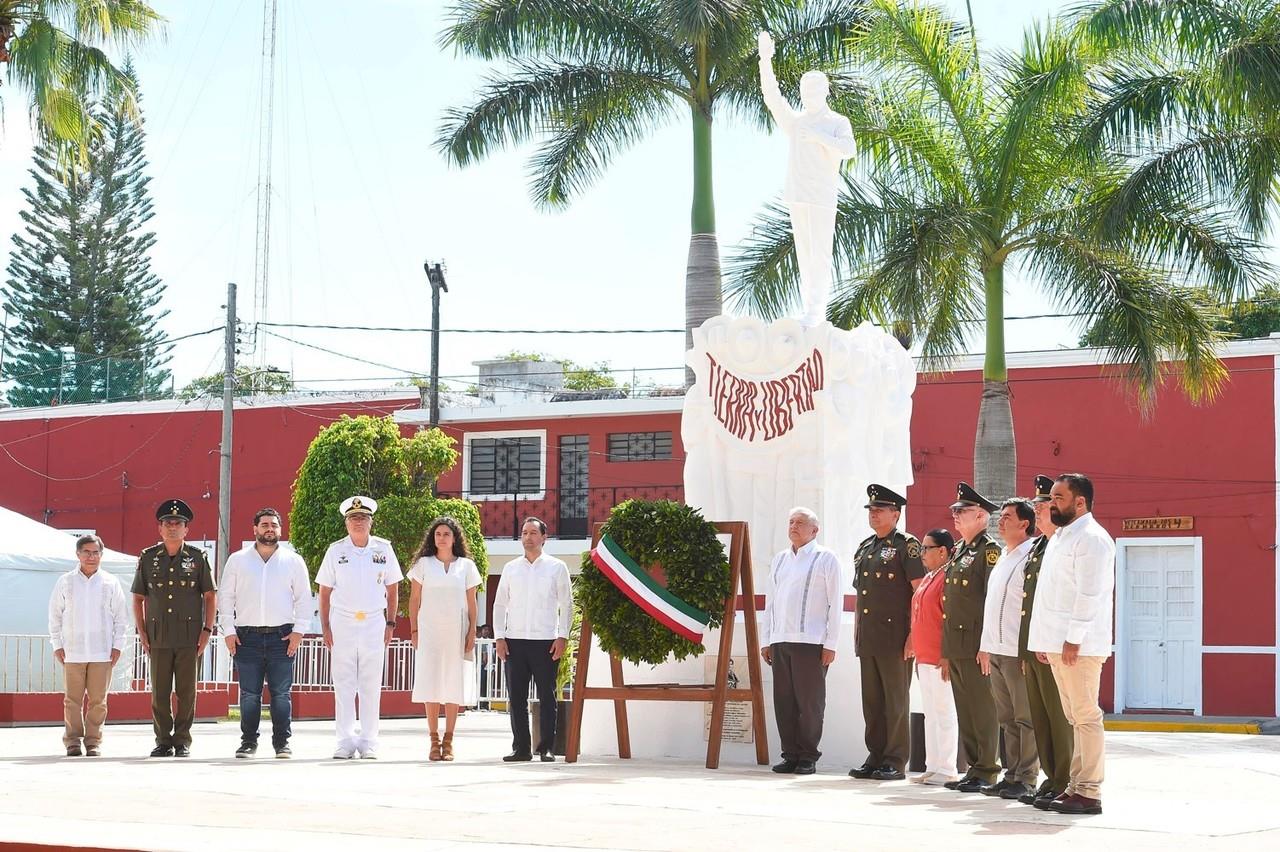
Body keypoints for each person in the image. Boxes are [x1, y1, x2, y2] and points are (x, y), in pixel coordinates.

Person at [757, 29, 857, 326]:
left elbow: (848, 150)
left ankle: (817, 311)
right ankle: (809, 310)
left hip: (822, 196)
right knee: (805, 255)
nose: (808, 96)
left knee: (820, 256)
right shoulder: (795, 122)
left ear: (825, 91)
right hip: (798, 194)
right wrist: (765, 59)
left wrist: (817, 136)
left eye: (814, 91)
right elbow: (773, 97)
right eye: (804, 91)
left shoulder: (837, 122)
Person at [1029, 474, 1115, 816]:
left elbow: (1089, 594)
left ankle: (1089, 791)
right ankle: (1075, 787)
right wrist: (1044, 640)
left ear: (1080, 502)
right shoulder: (1063, 537)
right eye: (1051, 497)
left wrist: (1072, 638)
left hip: (1079, 645)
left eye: (1058, 498)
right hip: (1058, 643)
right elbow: (1051, 595)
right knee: (1074, 717)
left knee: (1086, 716)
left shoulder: (1092, 539)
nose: (1052, 504)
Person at [217, 508, 312, 759]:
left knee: (281, 694)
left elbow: (303, 599)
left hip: (282, 636)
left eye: (274, 525)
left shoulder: (293, 561)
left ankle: (282, 743)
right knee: (249, 694)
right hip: (246, 636)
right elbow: (225, 596)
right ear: (255, 529)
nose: (269, 529)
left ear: (280, 530)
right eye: (264, 524)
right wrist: (228, 630)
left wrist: (298, 632)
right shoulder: (238, 560)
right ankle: (248, 742)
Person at [316, 495, 403, 760]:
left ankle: (369, 741)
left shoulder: (383, 549)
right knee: (343, 682)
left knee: (371, 682)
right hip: (342, 621)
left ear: (371, 522)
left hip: (375, 622)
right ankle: (344, 740)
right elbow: (324, 592)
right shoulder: (336, 550)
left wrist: (390, 622)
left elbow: (393, 588)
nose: (358, 522)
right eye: (353, 518)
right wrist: (326, 627)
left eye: (363, 518)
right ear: (346, 523)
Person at [848, 484, 925, 782]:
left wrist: (913, 636)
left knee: (895, 701)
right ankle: (875, 756)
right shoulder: (866, 547)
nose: (874, 515)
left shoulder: (907, 545)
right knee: (873, 702)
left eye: (880, 510)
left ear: (896, 513)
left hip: (896, 639)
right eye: (871, 510)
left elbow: (918, 593)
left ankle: (894, 760)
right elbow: (861, 598)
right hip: (869, 638)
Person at [761, 507, 843, 775]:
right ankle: (790, 755)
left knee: (809, 703)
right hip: (780, 639)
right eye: (791, 522)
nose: (794, 526)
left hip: (812, 641)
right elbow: (770, 602)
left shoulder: (826, 558)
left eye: (800, 523)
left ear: (814, 530)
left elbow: (836, 603)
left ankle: (808, 756)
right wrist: (767, 639)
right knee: (784, 702)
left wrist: (831, 643)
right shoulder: (780, 559)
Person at [131, 499, 216, 758]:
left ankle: (182, 741)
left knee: (187, 692)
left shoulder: (197, 558)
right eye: (168, 523)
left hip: (190, 637)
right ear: (160, 528)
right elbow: (138, 598)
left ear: (186, 529)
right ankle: (162, 740)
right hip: (158, 636)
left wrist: (207, 630)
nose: (172, 527)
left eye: (178, 524)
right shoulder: (147, 558)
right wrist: (142, 632)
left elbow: (210, 596)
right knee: (159, 692)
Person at [492, 517, 572, 762]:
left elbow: (566, 604)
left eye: (533, 533)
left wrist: (563, 636)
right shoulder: (510, 568)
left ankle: (546, 747)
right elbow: (500, 604)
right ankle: (521, 749)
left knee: (547, 696)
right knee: (516, 698)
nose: (528, 537)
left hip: (545, 641)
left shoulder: (557, 567)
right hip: (514, 641)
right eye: (525, 533)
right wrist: (499, 638)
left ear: (544, 537)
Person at [941, 482, 1002, 792]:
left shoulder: (989, 551)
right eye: (955, 511)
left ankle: (988, 769)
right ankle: (974, 768)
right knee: (965, 707)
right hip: (957, 643)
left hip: (977, 644)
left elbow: (992, 600)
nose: (955, 516)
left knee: (982, 708)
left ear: (980, 516)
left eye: (961, 512)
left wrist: (987, 645)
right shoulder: (960, 551)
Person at [977, 499, 1040, 799]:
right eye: (1000, 517)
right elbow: (993, 607)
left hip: (1017, 649)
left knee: (1025, 717)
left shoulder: (1033, 554)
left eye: (1007, 517)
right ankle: (1011, 773)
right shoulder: (1003, 555)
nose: (1000, 522)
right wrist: (985, 645)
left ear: (1024, 523)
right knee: (1006, 718)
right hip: (997, 648)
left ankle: (1027, 777)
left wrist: (1029, 650)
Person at [1017, 475, 1074, 809]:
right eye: (1037, 507)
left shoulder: (1063, 544)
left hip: (1054, 645)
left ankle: (1064, 779)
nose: (1037, 512)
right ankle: (1050, 778)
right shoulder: (1040, 546)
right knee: (1040, 716)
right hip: (1033, 643)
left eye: (1042, 506)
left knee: (1057, 716)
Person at [408, 516, 482, 762]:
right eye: (438, 534)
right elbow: (414, 600)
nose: (442, 538)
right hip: (429, 630)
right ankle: (433, 739)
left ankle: (449, 739)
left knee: (453, 682)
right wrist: (414, 630)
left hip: (456, 631)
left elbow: (472, 602)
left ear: (454, 538)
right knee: (430, 681)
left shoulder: (467, 566)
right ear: (433, 537)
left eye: (446, 534)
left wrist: (472, 631)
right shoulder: (423, 565)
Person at [48, 534, 129, 757]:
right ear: (78, 554)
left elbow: (121, 618)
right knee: (72, 700)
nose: (91, 557)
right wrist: (57, 644)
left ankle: (93, 741)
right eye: (86, 552)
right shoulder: (65, 581)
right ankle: (72, 741)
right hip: (72, 650)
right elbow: (55, 615)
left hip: (102, 651)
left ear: (101, 555)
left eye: (95, 553)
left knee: (98, 700)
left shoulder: (110, 582)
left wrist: (117, 646)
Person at [905, 528, 959, 785]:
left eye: (927, 548)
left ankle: (947, 768)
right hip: (924, 656)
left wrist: (948, 654)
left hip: (940, 656)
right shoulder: (928, 578)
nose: (922, 553)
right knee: (930, 713)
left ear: (942, 551)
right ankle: (933, 765)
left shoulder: (947, 576)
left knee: (944, 711)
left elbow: (949, 619)